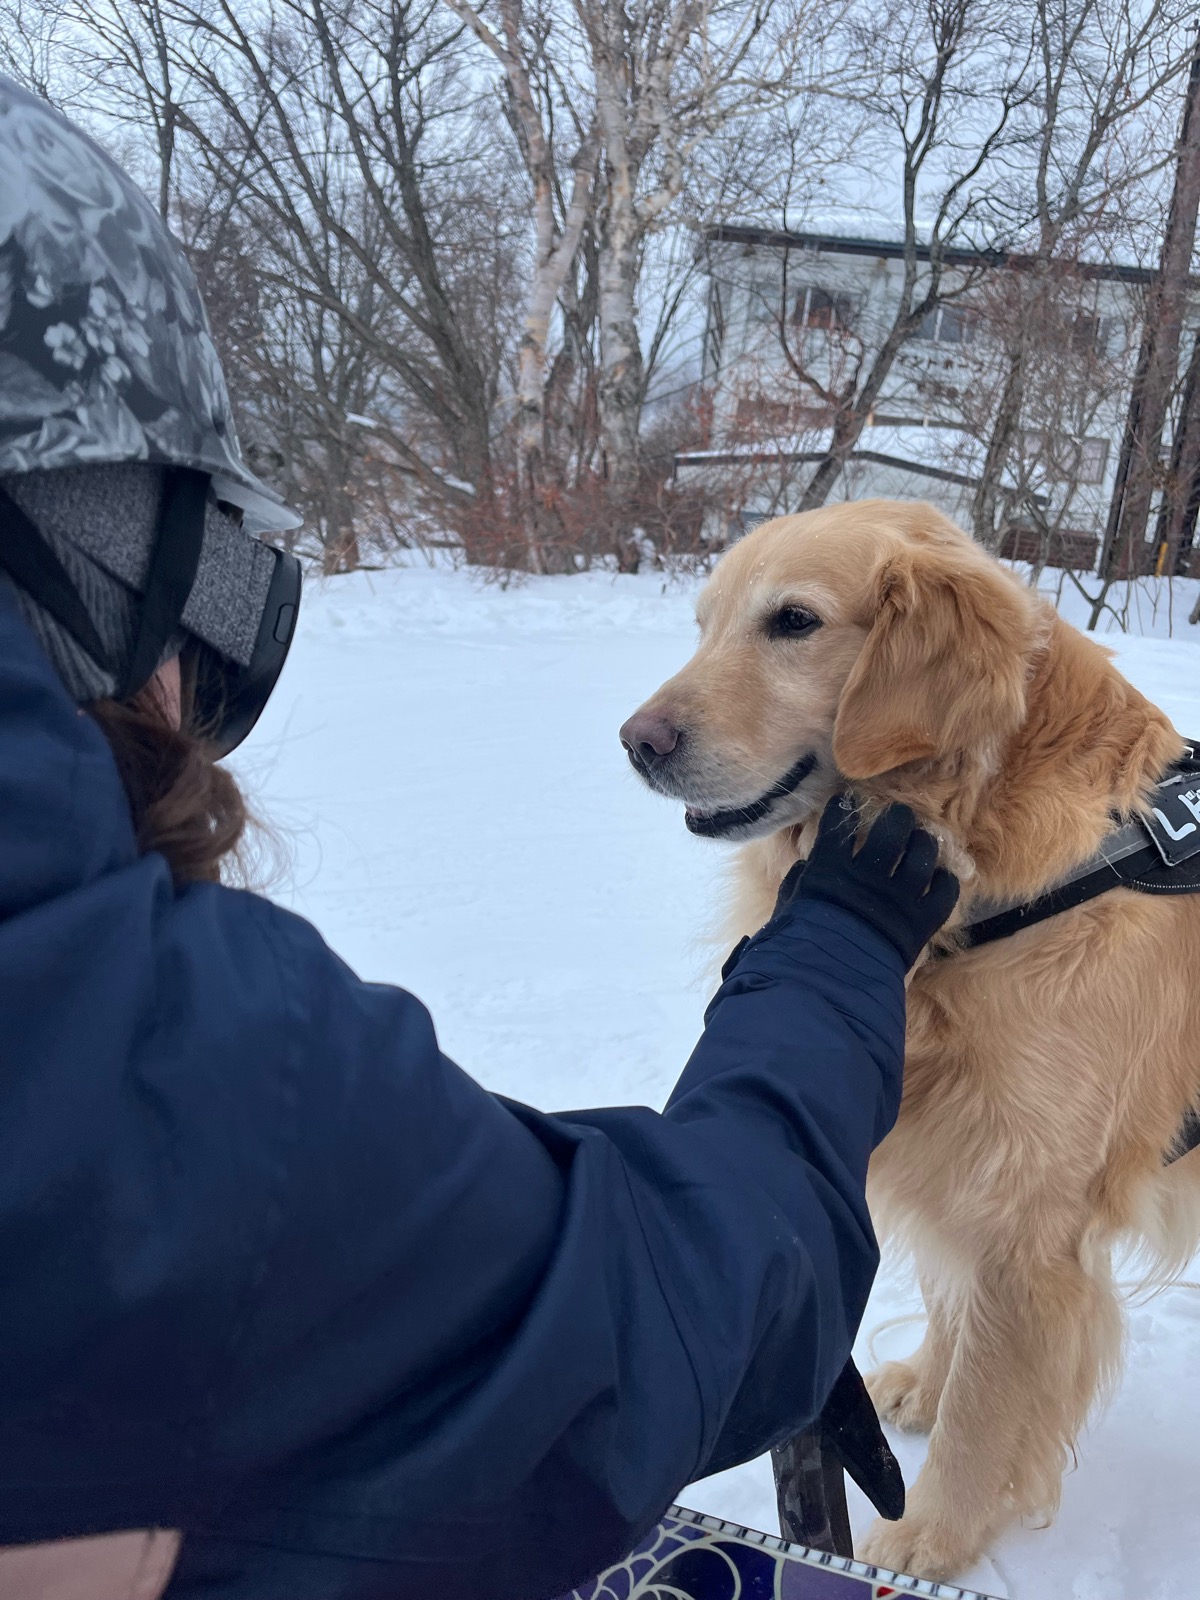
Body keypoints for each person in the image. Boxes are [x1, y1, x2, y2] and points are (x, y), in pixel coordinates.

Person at [0, 75, 959, 1600]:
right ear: (97, 553)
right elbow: (658, 1306)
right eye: (204, 597)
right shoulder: (142, 1077)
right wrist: (839, 948)